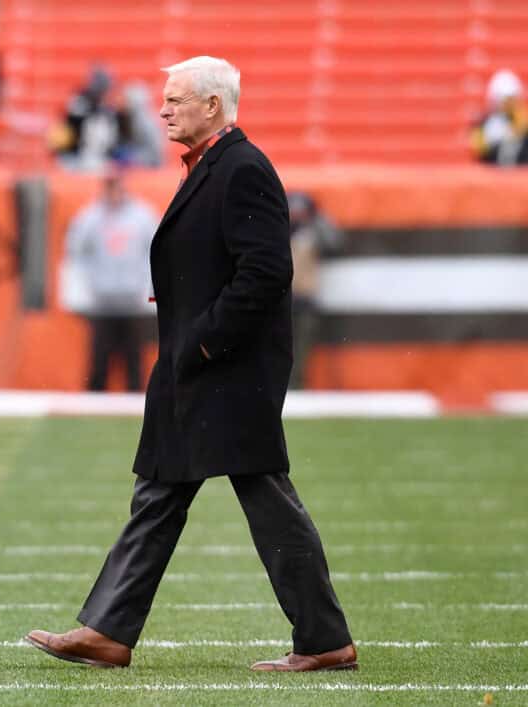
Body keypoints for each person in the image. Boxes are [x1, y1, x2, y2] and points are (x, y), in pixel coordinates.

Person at [26, 56, 356, 672]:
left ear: (213, 105)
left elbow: (265, 273)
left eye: (175, 100)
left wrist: (203, 342)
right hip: (199, 369)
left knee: (262, 497)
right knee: (160, 493)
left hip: (226, 372)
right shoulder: (211, 167)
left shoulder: (243, 169)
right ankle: (109, 632)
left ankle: (324, 639)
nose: (162, 110)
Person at [64, 167, 158, 391]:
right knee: (99, 362)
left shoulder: (142, 216)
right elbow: (76, 253)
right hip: (102, 303)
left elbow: (155, 253)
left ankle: (137, 407)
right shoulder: (89, 217)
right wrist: (83, 291)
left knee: (134, 362)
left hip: (133, 302)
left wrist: (149, 291)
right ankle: (94, 407)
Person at [286, 191, 342, 389]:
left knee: (302, 350)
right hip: (280, 301)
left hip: (305, 299)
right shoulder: (277, 232)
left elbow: (334, 241)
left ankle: (297, 387)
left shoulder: (311, 234)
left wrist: (317, 217)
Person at [50, 66, 122, 171]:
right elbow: (70, 125)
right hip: (74, 156)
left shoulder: (107, 110)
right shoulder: (80, 101)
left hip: (94, 156)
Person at [470, 69, 528, 166]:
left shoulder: (522, 119)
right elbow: (479, 150)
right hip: (494, 175)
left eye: (512, 99)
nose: (510, 104)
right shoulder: (485, 122)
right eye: (507, 100)